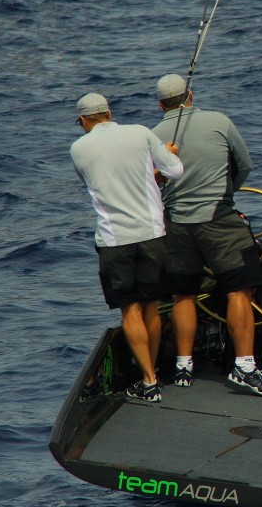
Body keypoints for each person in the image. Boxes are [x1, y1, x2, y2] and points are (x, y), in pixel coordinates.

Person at [151, 73, 262, 397]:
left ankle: (183, 366)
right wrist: (227, 196)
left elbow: (152, 182)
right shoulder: (219, 121)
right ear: (189, 96)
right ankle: (245, 367)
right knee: (239, 290)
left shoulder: (152, 135)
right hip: (219, 220)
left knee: (183, 295)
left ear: (161, 104)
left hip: (175, 225)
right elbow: (244, 165)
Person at [71, 92, 183, 402]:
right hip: (152, 234)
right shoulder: (140, 132)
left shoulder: (78, 149)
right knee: (151, 306)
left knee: (130, 309)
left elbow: (96, 182)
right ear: (109, 112)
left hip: (114, 240)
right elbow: (174, 171)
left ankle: (148, 380)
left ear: (83, 120)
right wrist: (165, 156)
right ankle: (156, 371)